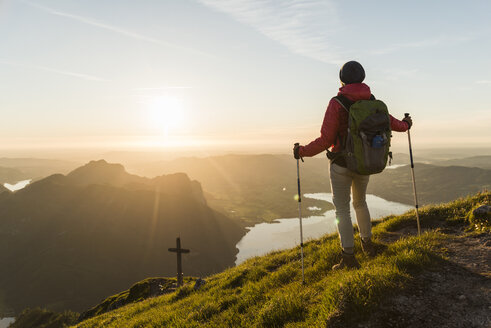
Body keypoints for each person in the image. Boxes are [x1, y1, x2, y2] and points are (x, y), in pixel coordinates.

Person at [293, 61, 412, 270]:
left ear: (342, 79)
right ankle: (368, 245)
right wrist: (407, 124)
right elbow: (394, 124)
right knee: (360, 202)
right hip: (364, 162)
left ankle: (349, 257)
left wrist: (301, 151)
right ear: (363, 78)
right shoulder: (373, 102)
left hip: (340, 164)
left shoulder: (337, 103)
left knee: (342, 210)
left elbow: (325, 139)